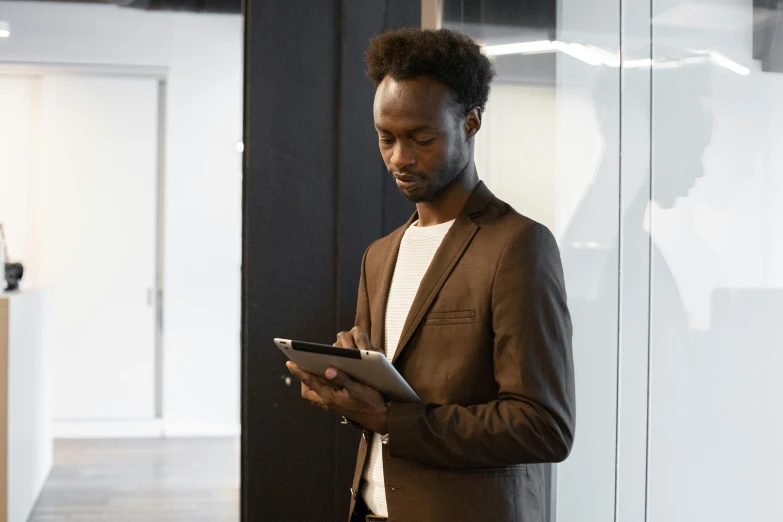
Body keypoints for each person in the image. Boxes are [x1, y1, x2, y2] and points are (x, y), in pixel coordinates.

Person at [286, 28, 575, 522]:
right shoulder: (379, 255)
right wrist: (346, 386)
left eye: (422, 138)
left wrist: (392, 418)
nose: (399, 158)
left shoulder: (518, 245)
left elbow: (543, 426)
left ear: (470, 123)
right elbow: (392, 397)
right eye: (386, 137)